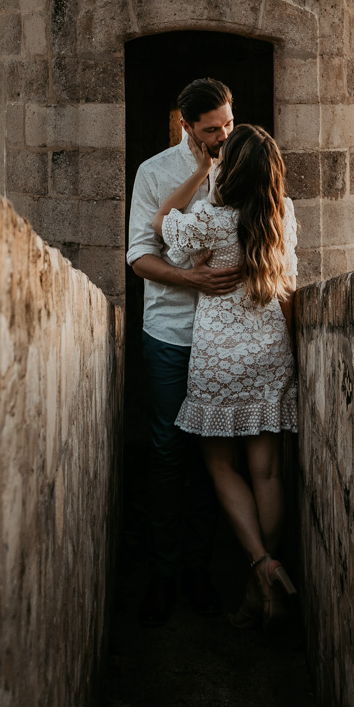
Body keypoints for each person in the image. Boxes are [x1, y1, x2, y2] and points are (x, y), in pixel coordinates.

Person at [152, 122, 298, 629]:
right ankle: (265, 586)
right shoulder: (281, 212)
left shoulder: (210, 219)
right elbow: (289, 287)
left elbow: (160, 224)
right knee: (269, 471)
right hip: (268, 351)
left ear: (230, 167)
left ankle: (261, 566)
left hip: (218, 357)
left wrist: (200, 171)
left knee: (220, 467)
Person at [126, 76, 240, 626]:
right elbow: (138, 256)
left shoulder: (244, 162)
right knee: (168, 451)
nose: (222, 136)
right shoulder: (154, 173)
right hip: (170, 333)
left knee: (213, 453)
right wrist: (190, 280)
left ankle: (199, 568)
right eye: (211, 129)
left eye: (228, 125)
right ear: (187, 127)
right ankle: (163, 571)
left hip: (228, 337)